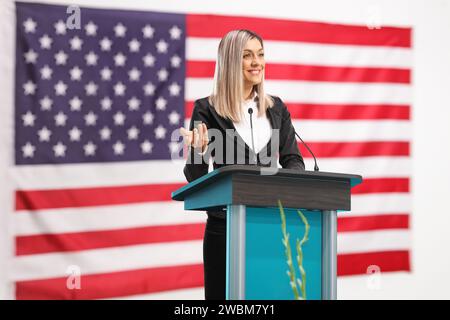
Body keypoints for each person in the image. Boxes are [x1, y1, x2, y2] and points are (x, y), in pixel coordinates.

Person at [179, 29, 305, 300]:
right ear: (230, 62)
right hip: (225, 229)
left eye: (260, 54)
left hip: (269, 226)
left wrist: (287, 185)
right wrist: (199, 152)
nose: (256, 62)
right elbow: (195, 176)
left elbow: (293, 160)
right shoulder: (207, 109)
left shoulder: (276, 109)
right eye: (247, 56)